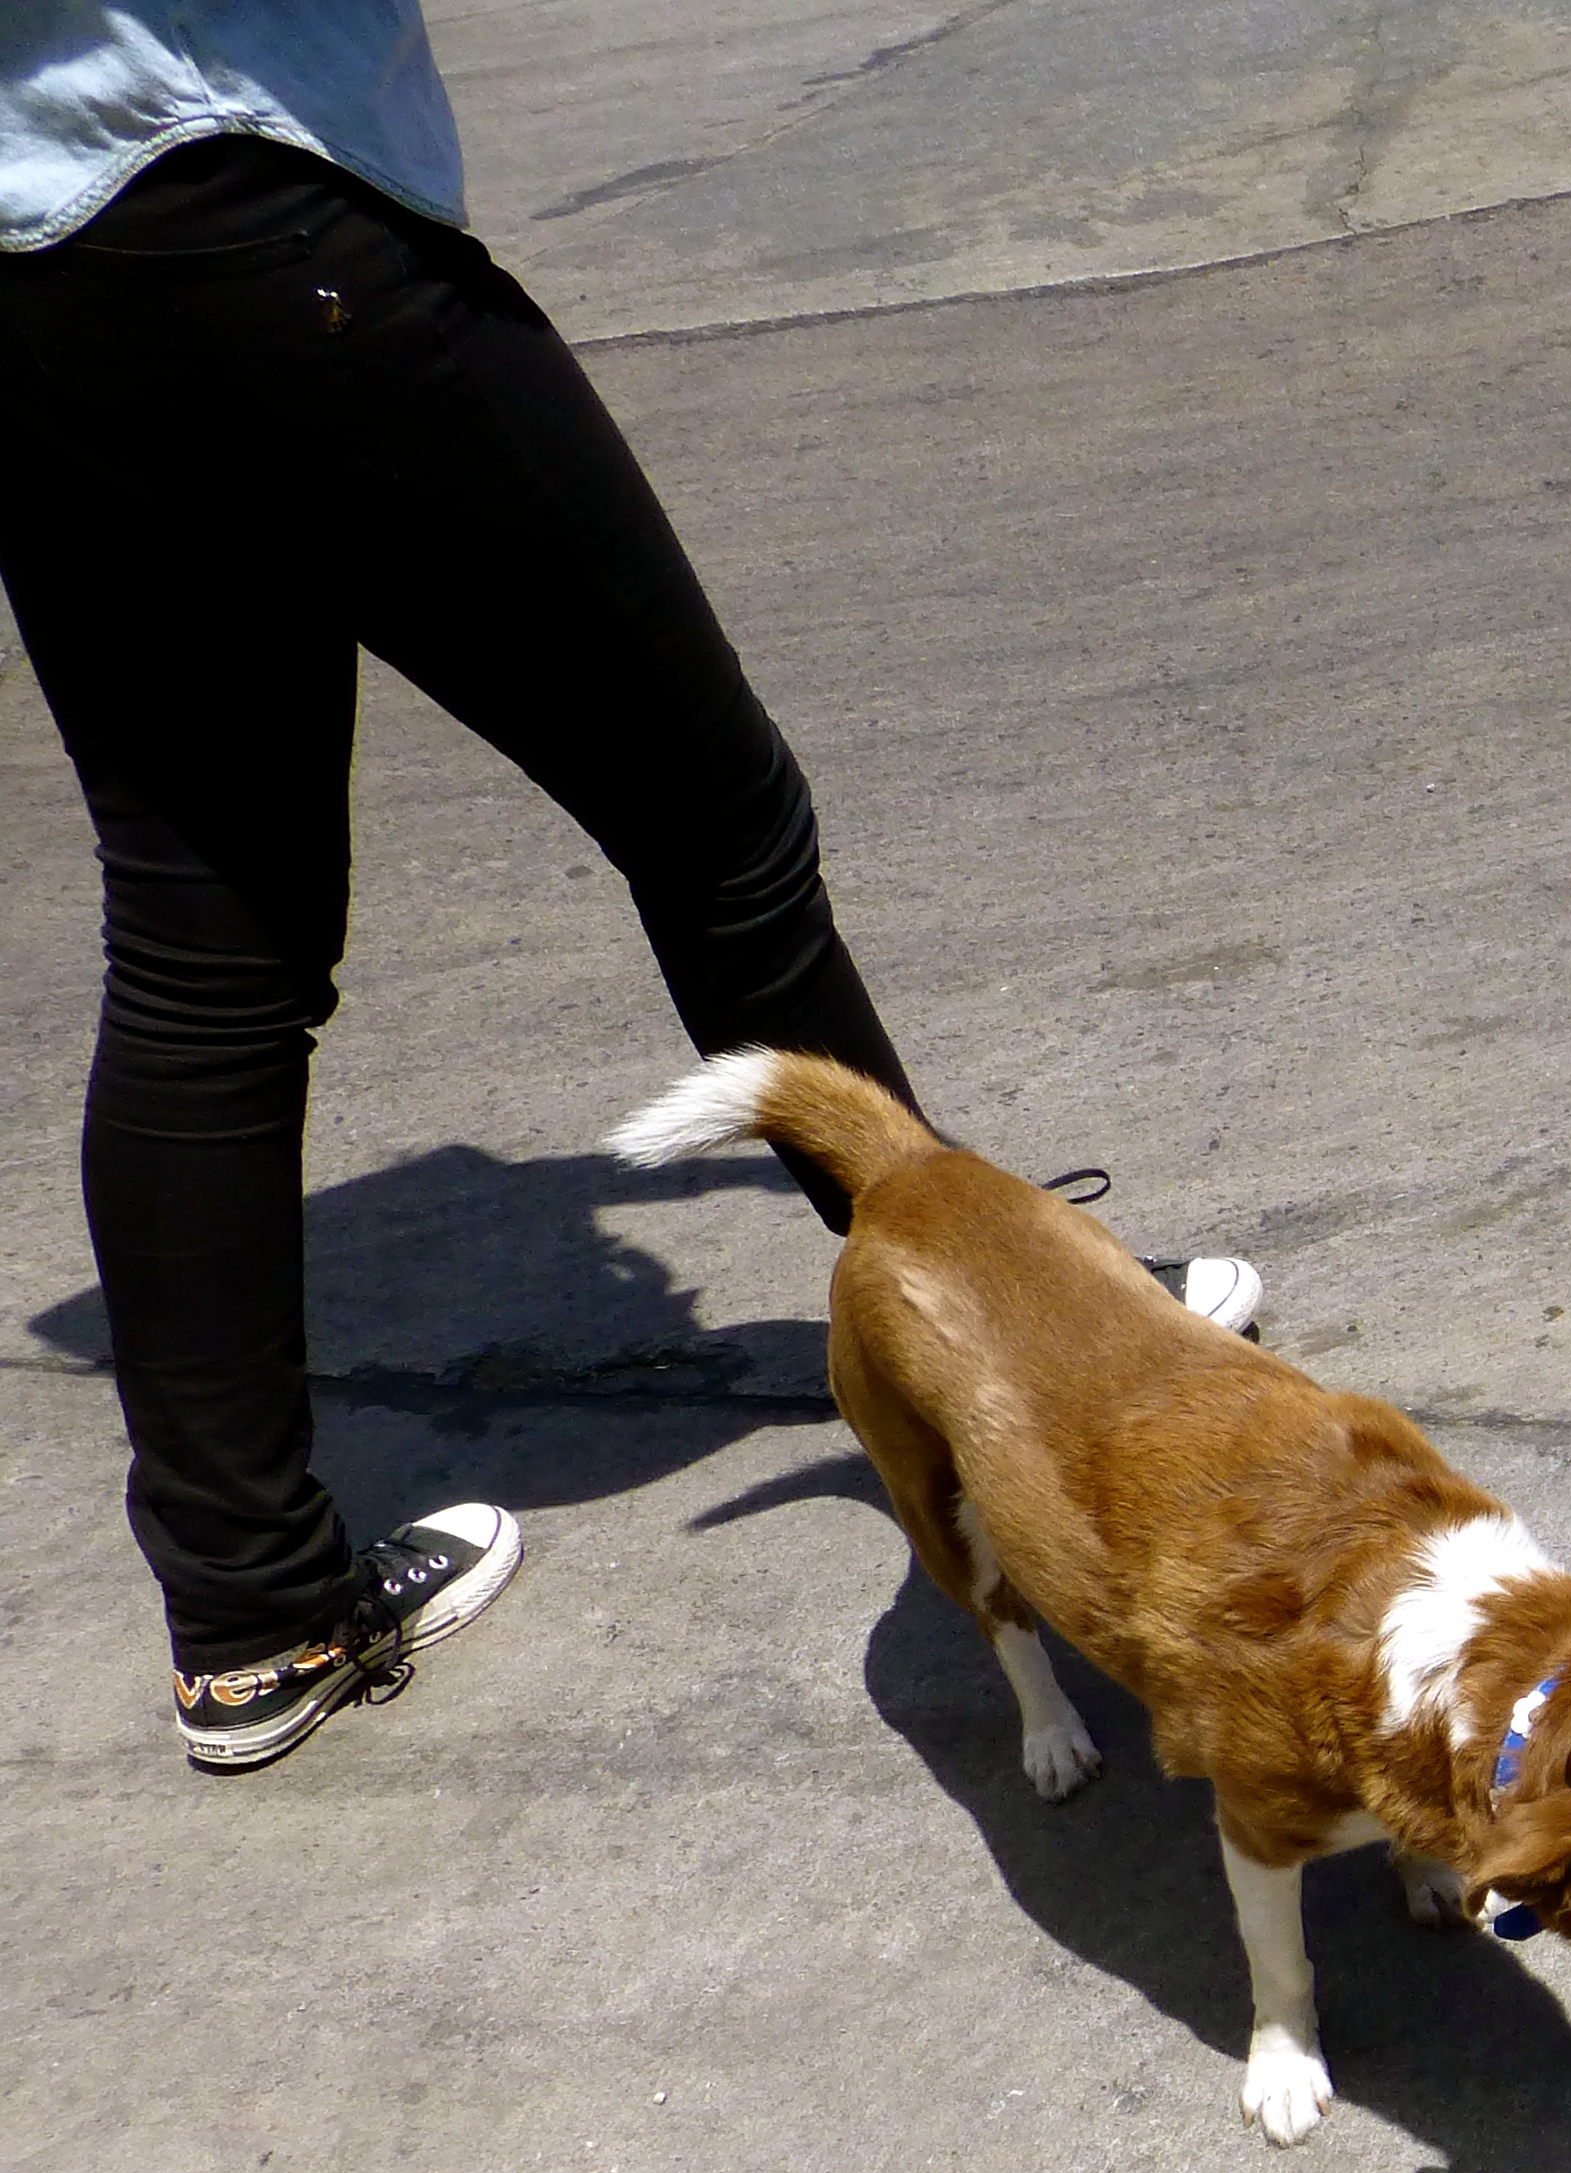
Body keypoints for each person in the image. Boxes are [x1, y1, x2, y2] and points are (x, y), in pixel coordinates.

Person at [0, 5, 1254, 1773]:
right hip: (257, 202)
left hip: (35, 286)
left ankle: (251, 1614)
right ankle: (1037, 1359)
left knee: (211, 943)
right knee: (717, 827)